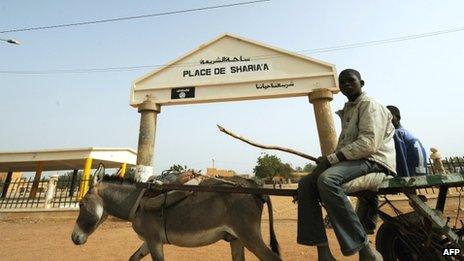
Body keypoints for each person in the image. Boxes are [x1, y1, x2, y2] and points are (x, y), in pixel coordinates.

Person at [297, 69, 396, 260]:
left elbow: (368, 144)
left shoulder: (370, 105)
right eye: (342, 83)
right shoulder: (350, 108)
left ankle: (365, 250)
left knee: (327, 179)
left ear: (362, 82)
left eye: (350, 81)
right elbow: (347, 145)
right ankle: (323, 251)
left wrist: (332, 160)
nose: (346, 85)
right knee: (306, 184)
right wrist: (329, 157)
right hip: (356, 161)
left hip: (375, 161)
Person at [386, 105, 428, 177]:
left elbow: (401, 161)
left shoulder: (396, 134)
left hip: (409, 176)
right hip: (421, 174)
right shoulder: (406, 133)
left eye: (388, 117)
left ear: (398, 118)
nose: (386, 121)